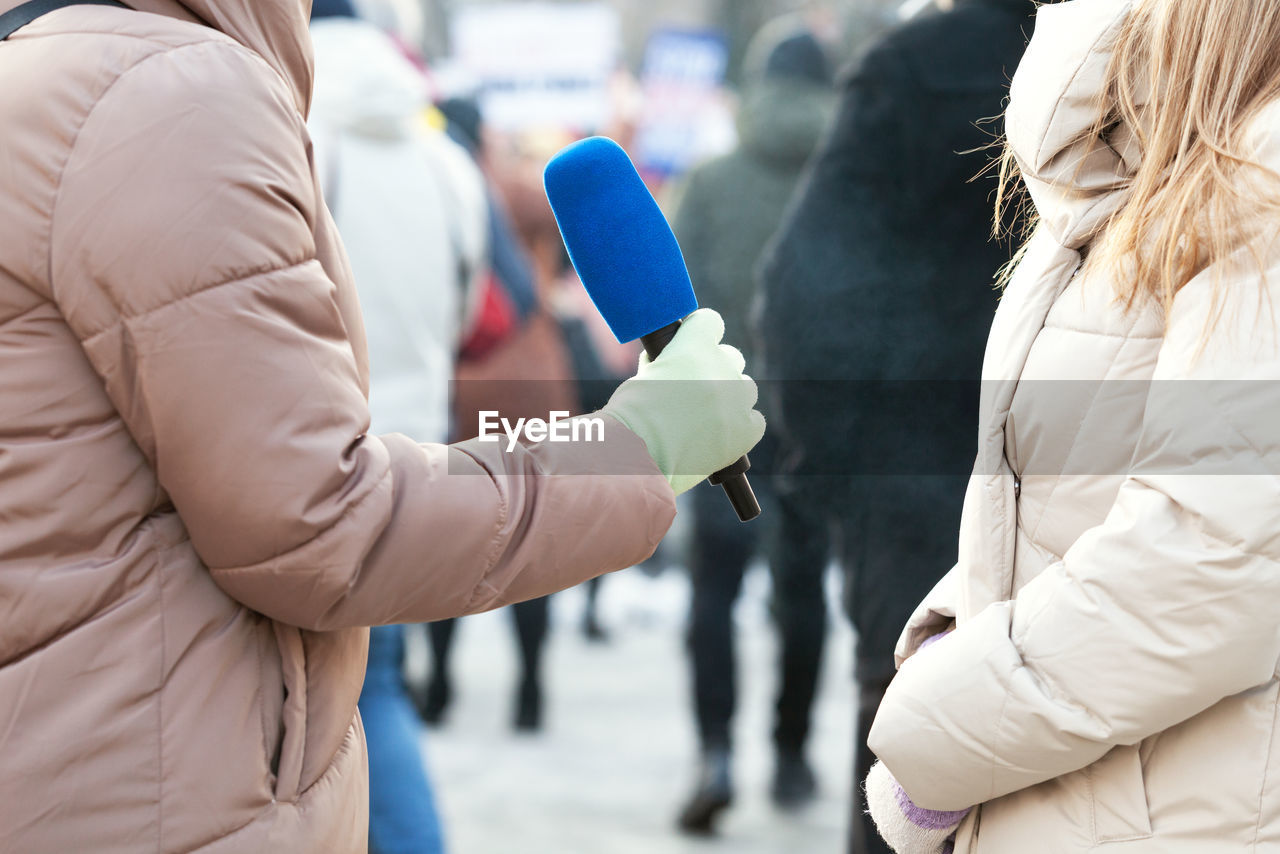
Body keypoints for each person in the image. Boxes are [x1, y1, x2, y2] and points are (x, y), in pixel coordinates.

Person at [0, 2, 763, 852]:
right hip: (148, 789)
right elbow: (317, 525)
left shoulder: (45, 71)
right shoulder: (167, 95)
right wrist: (639, 448)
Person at [864, 0, 1280, 852]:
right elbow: (1076, 490)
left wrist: (945, 730)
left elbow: (1220, 557)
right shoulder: (1147, 178)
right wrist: (965, 618)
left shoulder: (1260, 167)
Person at [756, 1, 1037, 851]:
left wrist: (836, 469)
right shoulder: (1155, 68)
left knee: (907, 761)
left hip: (917, 491)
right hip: (1090, 484)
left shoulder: (914, 67)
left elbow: (802, 285)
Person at [308, 1, 479, 850]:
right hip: (421, 460)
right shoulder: (443, 156)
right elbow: (468, 303)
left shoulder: (284, 121)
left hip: (316, 456)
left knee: (333, 709)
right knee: (378, 690)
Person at [666, 18, 836, 833]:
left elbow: (668, 312)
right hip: (809, 425)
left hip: (717, 421)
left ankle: (714, 753)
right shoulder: (842, 183)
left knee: (713, 590)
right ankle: (795, 755)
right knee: (801, 595)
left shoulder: (709, 181)